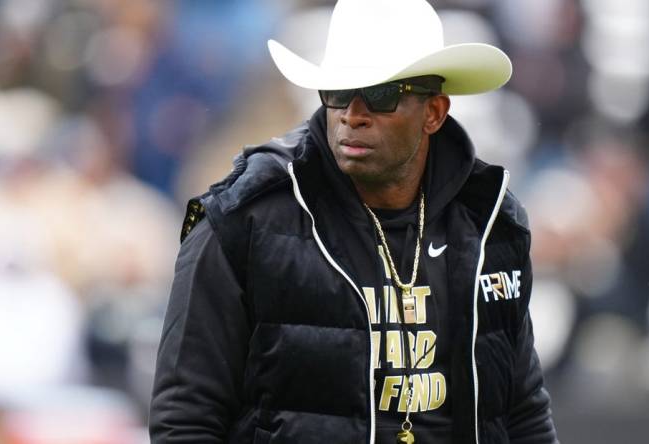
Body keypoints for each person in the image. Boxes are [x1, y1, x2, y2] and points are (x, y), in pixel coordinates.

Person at [150, 0, 558, 443]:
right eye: (338, 93)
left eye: (380, 95)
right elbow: (185, 420)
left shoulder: (490, 221)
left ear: (434, 112)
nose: (352, 114)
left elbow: (522, 412)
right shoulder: (242, 220)